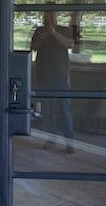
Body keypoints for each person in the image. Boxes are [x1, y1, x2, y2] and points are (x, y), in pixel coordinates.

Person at [30, 10, 75, 152]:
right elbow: (33, 47)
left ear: (56, 15)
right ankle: (51, 140)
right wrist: (44, 36)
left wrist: (54, 33)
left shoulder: (63, 30)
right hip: (44, 79)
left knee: (64, 111)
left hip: (61, 78)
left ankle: (70, 143)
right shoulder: (39, 31)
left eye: (51, 14)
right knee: (48, 112)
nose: (48, 17)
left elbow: (70, 44)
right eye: (46, 14)